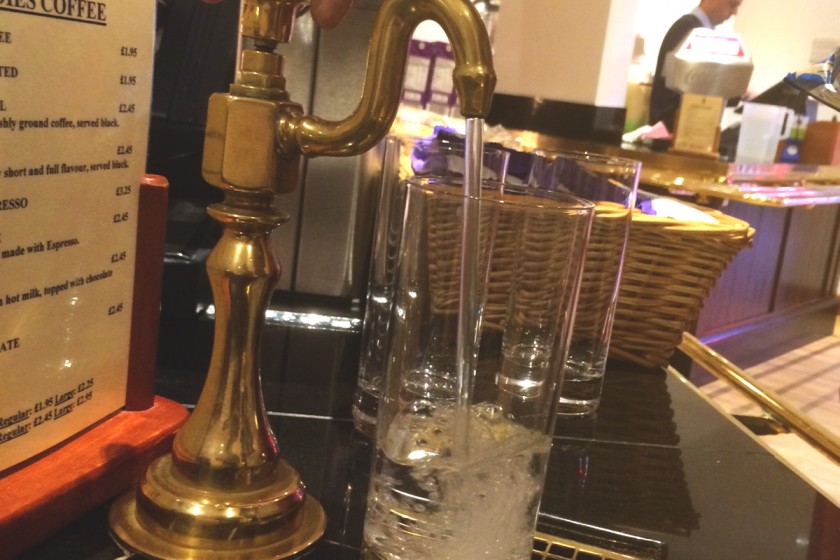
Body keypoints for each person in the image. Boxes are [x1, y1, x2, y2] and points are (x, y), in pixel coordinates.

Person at [648, 0, 743, 131]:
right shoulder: (690, 29)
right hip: (673, 129)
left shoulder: (696, 30)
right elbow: (689, 87)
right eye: (732, 4)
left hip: (679, 127)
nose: (734, 12)